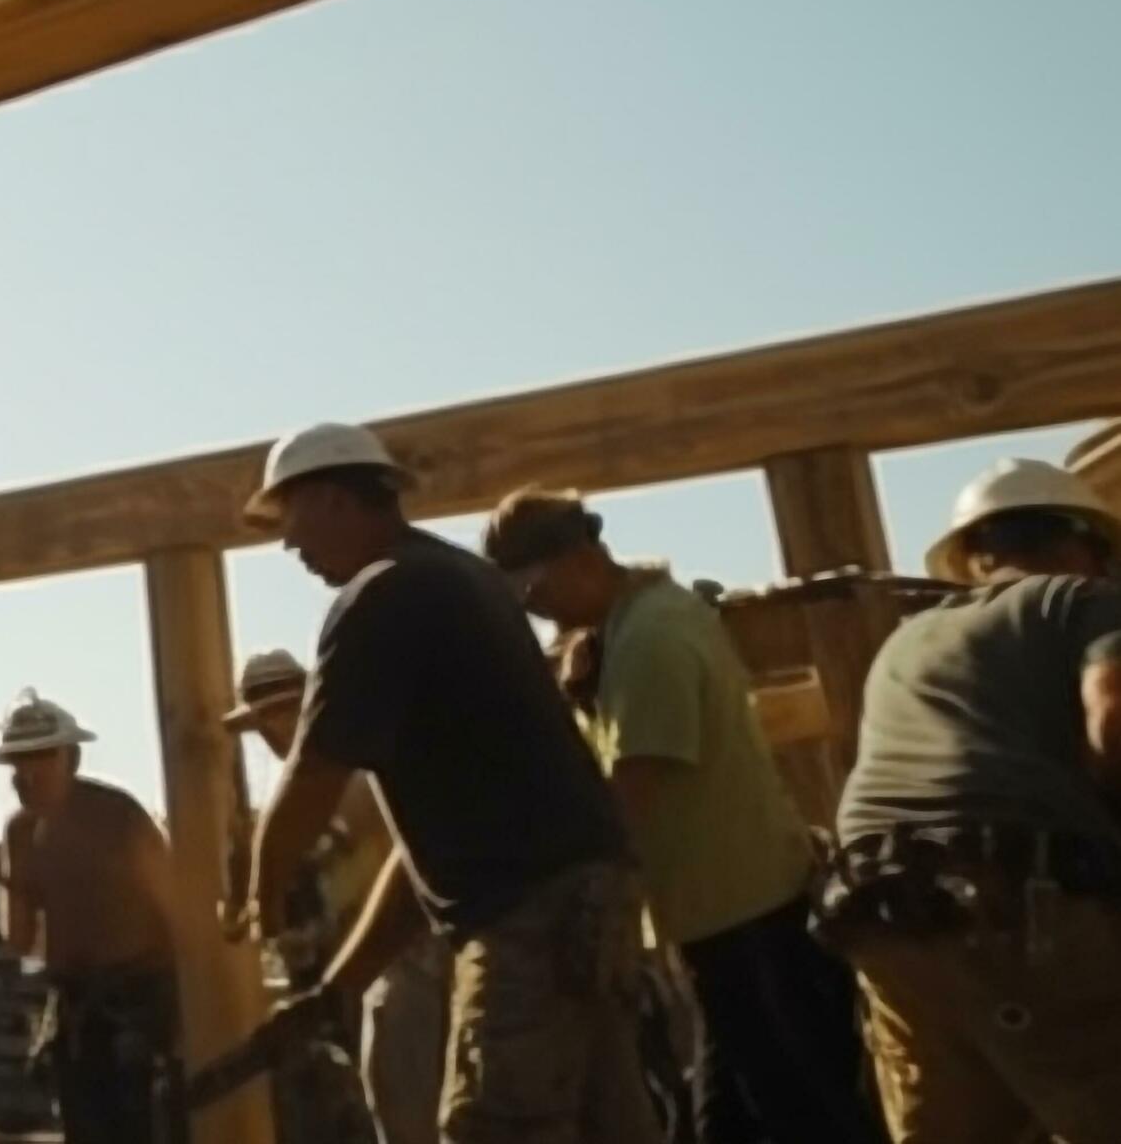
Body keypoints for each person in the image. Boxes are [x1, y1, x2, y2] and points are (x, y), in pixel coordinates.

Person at [238, 422, 657, 1144]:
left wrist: (262, 900)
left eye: (293, 517)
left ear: (335, 499)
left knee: (495, 1128)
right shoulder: (462, 582)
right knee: (604, 1125)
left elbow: (311, 775)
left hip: (530, 916)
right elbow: (430, 856)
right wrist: (339, 984)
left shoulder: (381, 595)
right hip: (582, 902)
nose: (288, 543)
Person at [480, 489, 883, 1144]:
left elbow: (631, 791)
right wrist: (583, 695)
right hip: (723, 910)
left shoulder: (651, 640)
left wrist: (569, 900)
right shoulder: (639, 625)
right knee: (734, 1111)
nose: (538, 612)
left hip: (741, 915)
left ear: (580, 558)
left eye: (537, 592)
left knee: (804, 1108)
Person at [820, 458, 1121, 1142]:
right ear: (1087, 546)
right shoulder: (1084, 600)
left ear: (976, 559)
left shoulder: (907, 639)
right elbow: (1115, 716)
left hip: (877, 908)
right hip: (1009, 898)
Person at [228, 647, 449, 1144]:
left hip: (394, 961)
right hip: (324, 982)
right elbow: (247, 917)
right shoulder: (276, 811)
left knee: (407, 1105)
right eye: (264, 720)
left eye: (286, 712)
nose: (275, 730)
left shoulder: (362, 777)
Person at [0, 690, 186, 1144]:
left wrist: (180, 1015)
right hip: (77, 1012)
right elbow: (19, 939)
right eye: (18, 761)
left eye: (40, 756)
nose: (28, 773)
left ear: (70, 758)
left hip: (142, 1004)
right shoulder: (20, 834)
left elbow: (178, 912)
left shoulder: (121, 817)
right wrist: (17, 886)